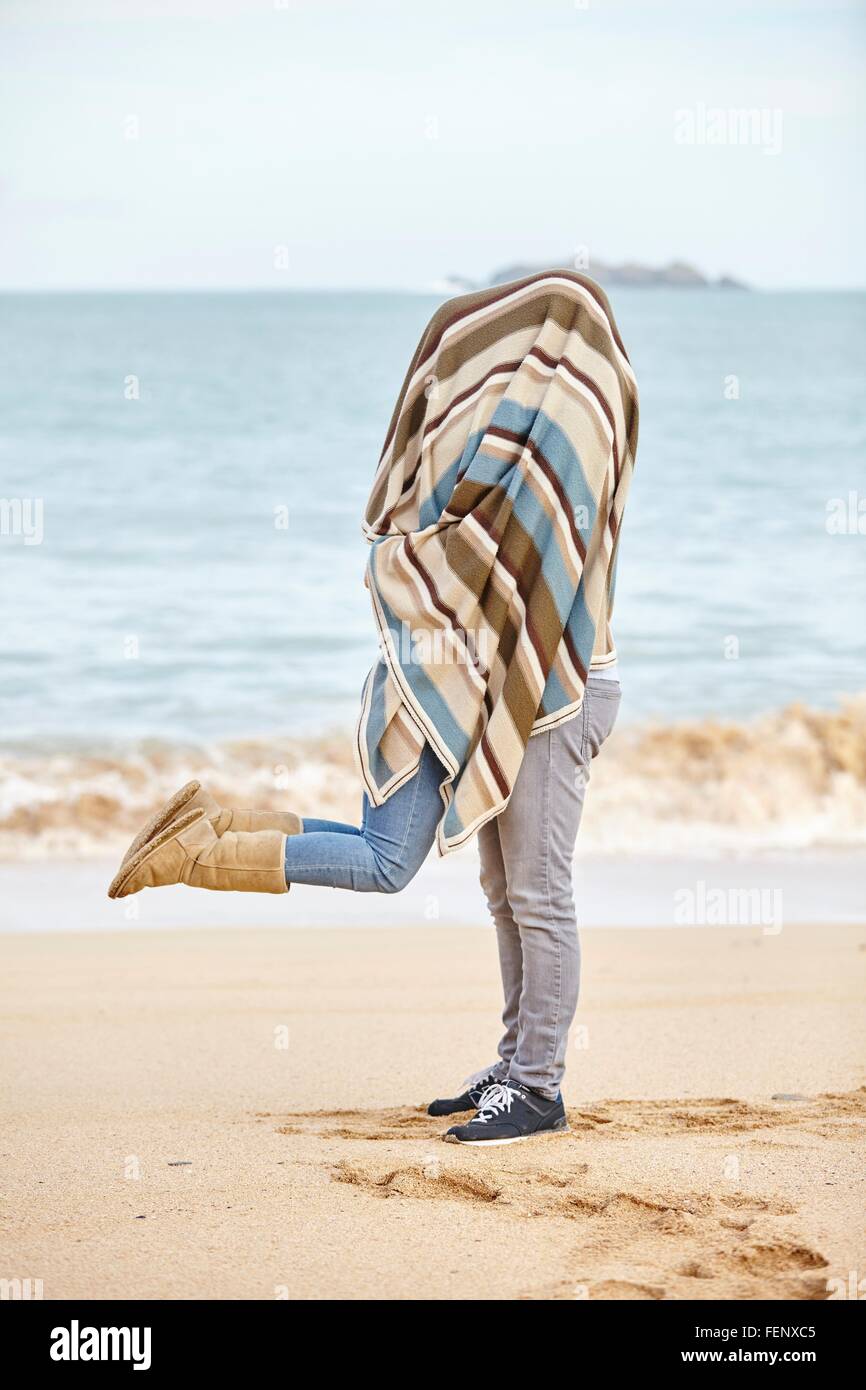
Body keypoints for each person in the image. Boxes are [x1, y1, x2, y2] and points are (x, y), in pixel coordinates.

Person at [108, 269, 639, 1146]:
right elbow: (444, 544)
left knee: (535, 894)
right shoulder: (495, 438)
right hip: (470, 677)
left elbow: (528, 559)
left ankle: (539, 1087)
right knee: (502, 890)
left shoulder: (576, 427)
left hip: (552, 690)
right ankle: (515, 1066)